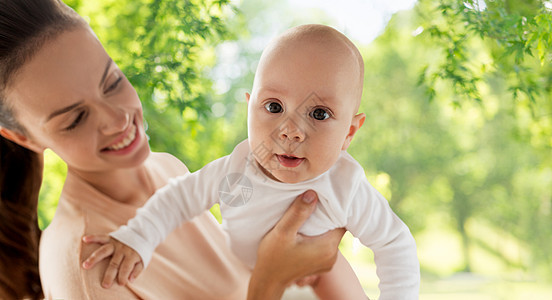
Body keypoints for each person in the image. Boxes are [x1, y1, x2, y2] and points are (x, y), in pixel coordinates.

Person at [0, 0, 346, 299]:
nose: (118, 118)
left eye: (112, 81)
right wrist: (273, 278)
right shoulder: (88, 266)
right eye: (76, 118)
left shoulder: (166, 168)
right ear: (24, 138)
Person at [84, 24, 420, 299]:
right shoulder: (238, 170)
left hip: (318, 279)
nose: (291, 131)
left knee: (334, 275)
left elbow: (394, 243)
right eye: (274, 106)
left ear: (349, 132)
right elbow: (178, 199)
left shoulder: (344, 185)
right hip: (240, 278)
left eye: (319, 114)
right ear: (249, 108)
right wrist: (137, 238)